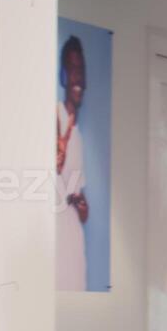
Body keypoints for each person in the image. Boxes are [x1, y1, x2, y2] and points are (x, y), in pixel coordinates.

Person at [56, 35, 89, 292]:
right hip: (52, 229)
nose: (77, 78)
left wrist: (82, 205)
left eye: (81, 70)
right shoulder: (53, 116)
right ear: (63, 76)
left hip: (72, 232)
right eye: (72, 69)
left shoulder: (78, 134)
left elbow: (80, 192)